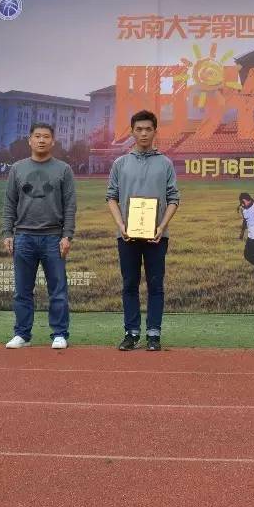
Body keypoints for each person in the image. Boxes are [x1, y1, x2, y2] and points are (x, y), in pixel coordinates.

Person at [106, 110, 179, 351]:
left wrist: (161, 226)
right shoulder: (120, 163)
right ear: (132, 132)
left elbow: (174, 199)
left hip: (157, 236)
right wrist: (121, 225)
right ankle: (132, 332)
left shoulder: (165, 163)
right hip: (127, 236)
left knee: (156, 285)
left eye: (148, 129)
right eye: (139, 129)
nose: (144, 133)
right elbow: (111, 197)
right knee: (130, 284)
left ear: (155, 131)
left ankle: (153, 334)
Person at [2, 123, 77, 349]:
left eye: (46, 137)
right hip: (23, 236)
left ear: (53, 141)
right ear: (30, 140)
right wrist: (7, 232)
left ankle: (59, 334)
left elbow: (70, 205)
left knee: (58, 290)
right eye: (37, 136)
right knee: (22, 290)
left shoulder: (63, 169)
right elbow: (9, 203)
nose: (41, 140)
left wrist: (67, 235)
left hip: (53, 237)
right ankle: (22, 334)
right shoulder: (17, 168)